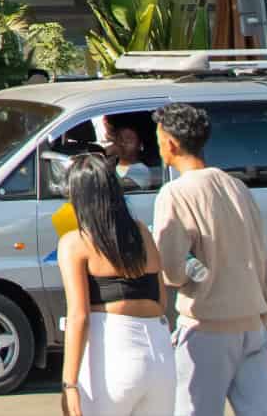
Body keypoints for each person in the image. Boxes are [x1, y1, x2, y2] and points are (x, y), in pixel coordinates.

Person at [151, 103, 267, 416]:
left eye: (159, 139)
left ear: (170, 142)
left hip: (207, 326)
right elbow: (263, 255)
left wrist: (192, 268)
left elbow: (171, 270)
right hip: (252, 320)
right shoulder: (236, 186)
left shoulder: (175, 194)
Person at [59, 153, 171, 416]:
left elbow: (79, 317)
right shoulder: (142, 232)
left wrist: (69, 383)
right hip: (160, 355)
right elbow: (162, 300)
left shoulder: (75, 243)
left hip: (113, 355)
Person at [108, 125, 152, 189]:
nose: (123, 143)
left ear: (140, 145)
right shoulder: (110, 164)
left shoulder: (141, 169)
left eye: (129, 140)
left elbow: (128, 186)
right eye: (120, 139)